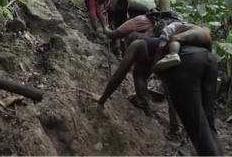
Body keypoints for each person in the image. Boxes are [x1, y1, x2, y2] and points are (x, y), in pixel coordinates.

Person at [93, 38, 223, 156]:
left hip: (188, 61)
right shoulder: (157, 54)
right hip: (208, 58)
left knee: (197, 124)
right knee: (207, 121)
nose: (137, 62)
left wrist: (102, 99)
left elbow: (118, 75)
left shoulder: (138, 44)